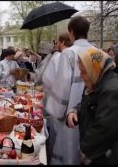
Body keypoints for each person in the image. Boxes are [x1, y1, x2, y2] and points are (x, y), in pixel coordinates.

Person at [67, 48, 118, 165]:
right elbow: (89, 105)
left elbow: (104, 128)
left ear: (93, 69)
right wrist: (75, 111)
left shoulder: (114, 90)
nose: (81, 76)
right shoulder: (96, 82)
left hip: (110, 157)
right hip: (99, 154)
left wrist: (85, 150)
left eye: (84, 71)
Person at [46, 16, 94, 165]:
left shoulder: (69, 53)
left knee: (69, 148)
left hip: (70, 111)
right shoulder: (96, 51)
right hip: (91, 107)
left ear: (71, 32)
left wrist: (56, 111)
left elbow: (62, 86)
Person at [41, 32, 73, 164]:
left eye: (57, 42)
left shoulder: (59, 56)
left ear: (62, 42)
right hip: (71, 103)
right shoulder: (74, 54)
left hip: (58, 101)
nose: (56, 45)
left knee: (56, 136)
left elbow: (47, 79)